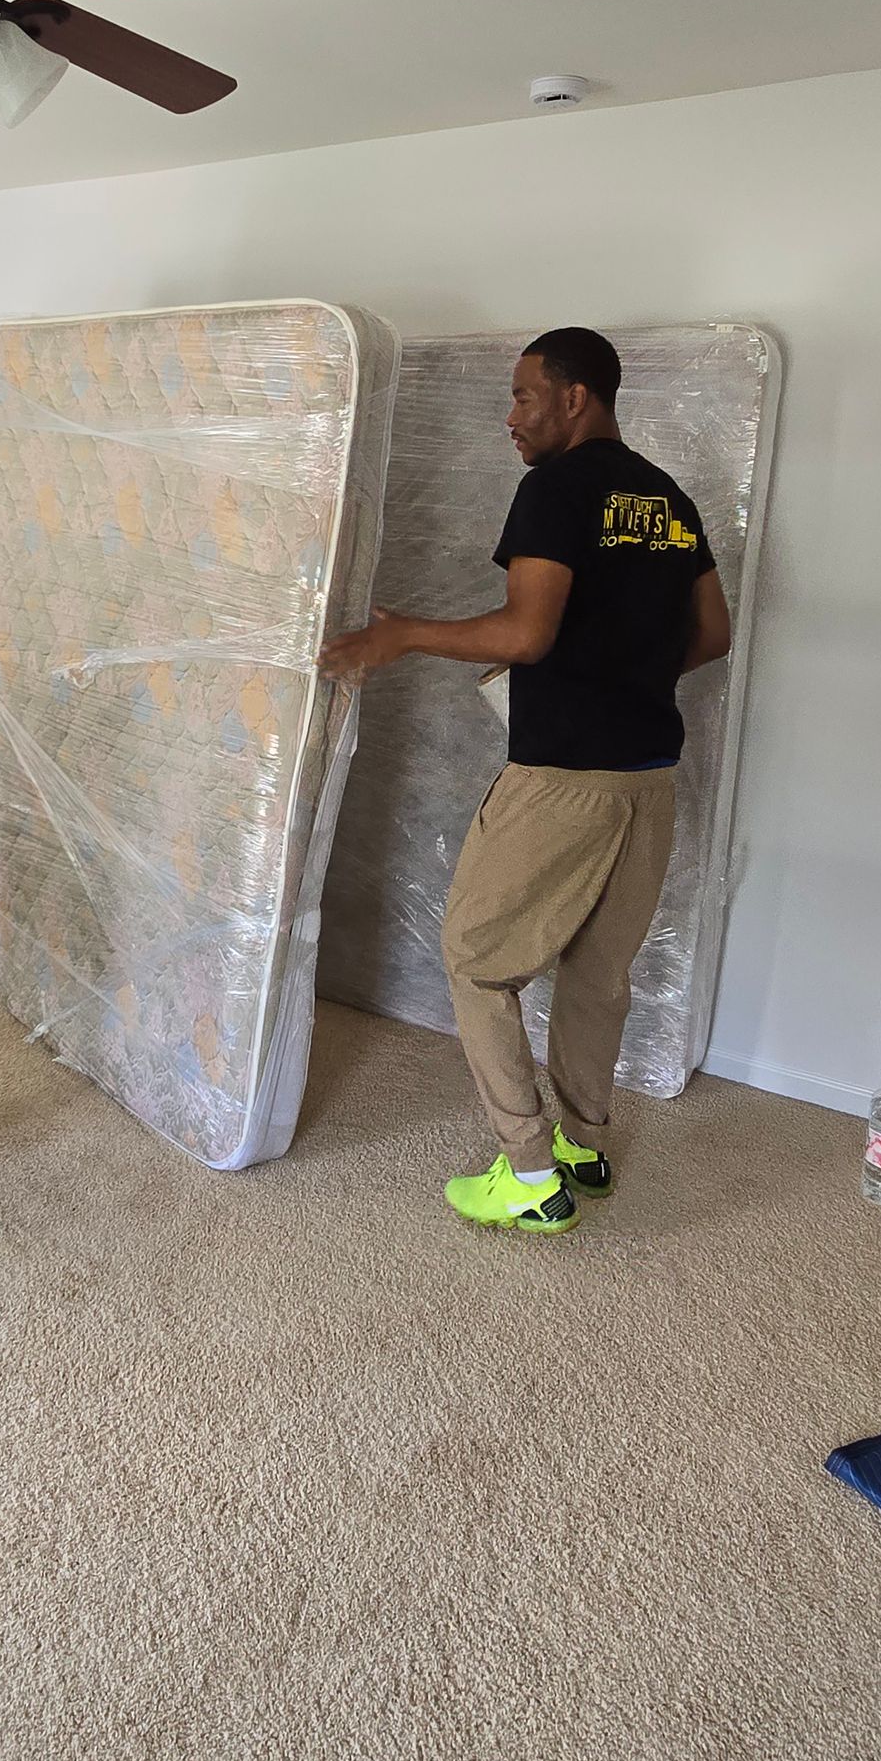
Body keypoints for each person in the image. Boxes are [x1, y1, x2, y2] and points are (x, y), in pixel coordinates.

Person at [321, 328, 731, 1234]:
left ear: (575, 396)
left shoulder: (555, 488)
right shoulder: (667, 498)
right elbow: (711, 637)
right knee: (597, 969)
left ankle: (530, 1173)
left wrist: (401, 635)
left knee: (475, 958)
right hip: (649, 775)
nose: (511, 417)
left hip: (564, 779)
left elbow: (524, 635)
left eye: (522, 396)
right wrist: (629, 673)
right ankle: (584, 1144)